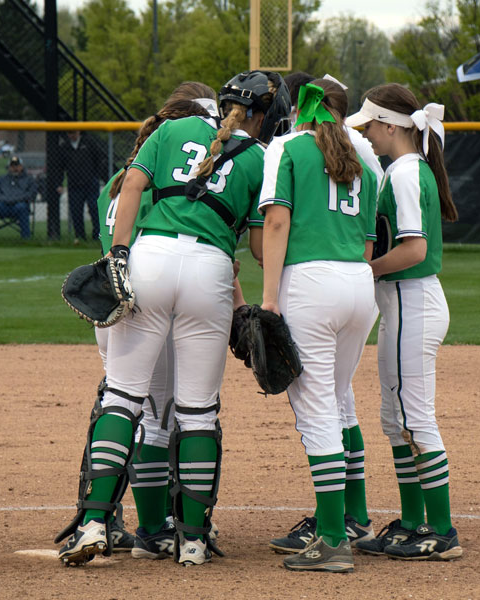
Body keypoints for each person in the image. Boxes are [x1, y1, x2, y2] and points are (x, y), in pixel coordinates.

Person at [71, 70, 289, 568]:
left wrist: (119, 257)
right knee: (198, 411)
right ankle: (191, 540)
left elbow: (130, 186)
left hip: (150, 258)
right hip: (210, 271)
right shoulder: (258, 158)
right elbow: (258, 246)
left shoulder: (170, 130)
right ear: (262, 117)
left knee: (124, 395)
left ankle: (93, 524)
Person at [56, 81, 222, 566]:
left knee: (119, 400)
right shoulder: (179, 179)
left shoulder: (123, 174)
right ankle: (154, 526)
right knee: (158, 417)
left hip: (116, 294)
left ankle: (101, 517)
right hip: (152, 295)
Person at [254, 79, 378, 573]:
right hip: (358, 285)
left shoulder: (287, 148)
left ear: (301, 109)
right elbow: (369, 243)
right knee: (340, 397)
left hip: (309, 283)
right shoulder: (363, 159)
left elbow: (277, 224)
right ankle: (352, 519)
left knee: (317, 409)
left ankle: (331, 540)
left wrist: (268, 299)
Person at [345, 83, 462, 560]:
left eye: (370, 126)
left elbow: (413, 249)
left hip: (411, 299)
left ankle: (443, 530)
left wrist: (363, 270)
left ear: (391, 126)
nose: (367, 135)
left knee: (415, 419)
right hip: (403, 302)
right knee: (395, 420)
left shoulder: (406, 174)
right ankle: (414, 522)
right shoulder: (404, 170)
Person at [51, 130, 106, 243]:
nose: (72, 136)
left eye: (74, 133)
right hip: (74, 184)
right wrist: (59, 183)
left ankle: (97, 235)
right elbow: (60, 167)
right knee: (76, 211)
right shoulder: (64, 146)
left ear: (79, 132)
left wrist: (96, 175)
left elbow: (99, 159)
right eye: (69, 133)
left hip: (90, 183)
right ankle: (80, 236)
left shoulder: (89, 142)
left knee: (94, 208)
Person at [0, 155, 38, 240]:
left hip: (19, 205)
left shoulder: (29, 179)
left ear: (21, 167)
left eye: (17, 166)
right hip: (3, 205)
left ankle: (26, 238)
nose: (15, 168)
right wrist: (3, 198)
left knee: (22, 208)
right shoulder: (2, 179)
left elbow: (32, 193)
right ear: (9, 167)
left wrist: (18, 199)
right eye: (12, 166)